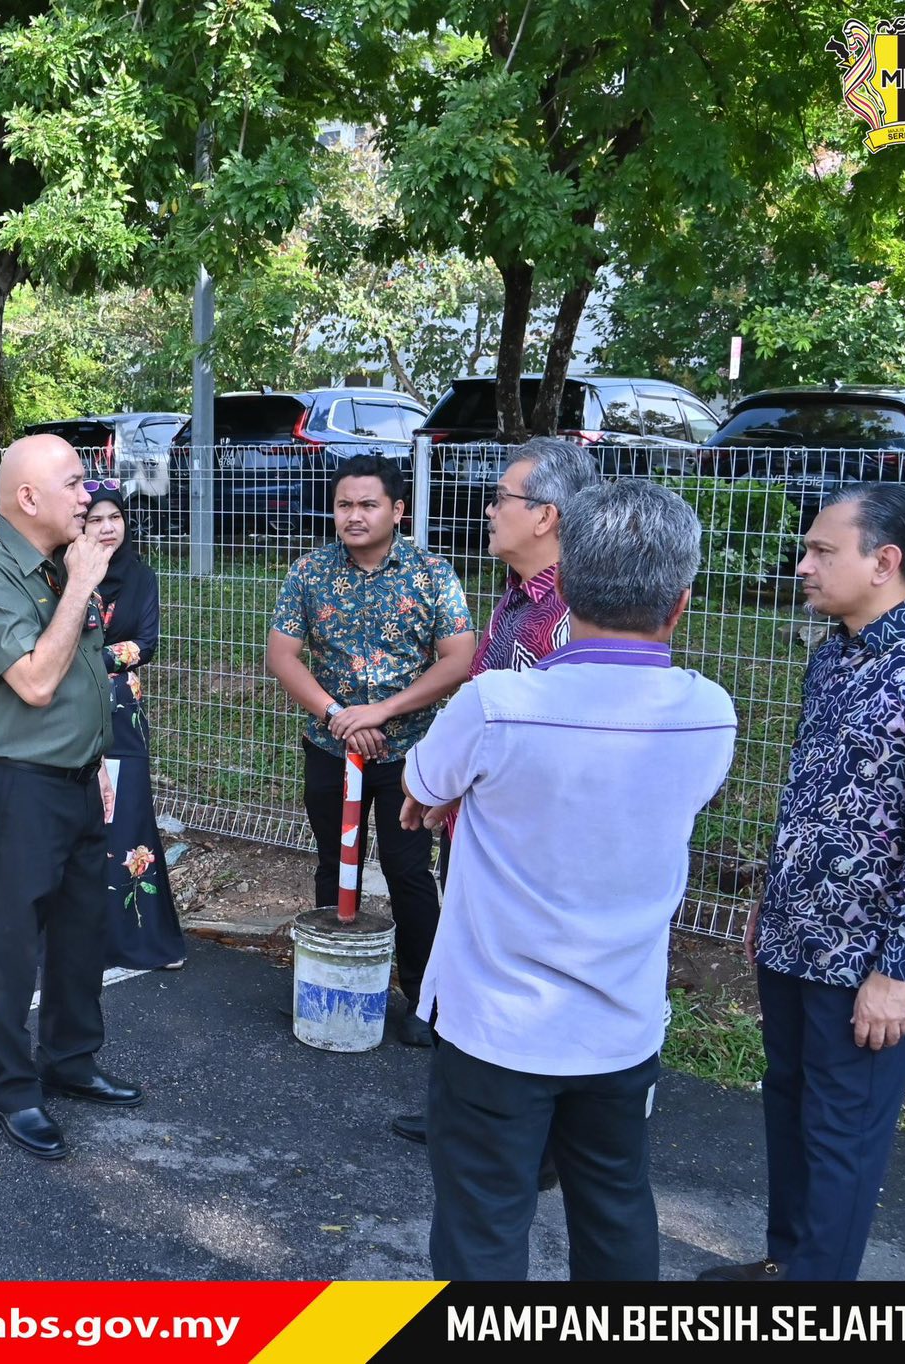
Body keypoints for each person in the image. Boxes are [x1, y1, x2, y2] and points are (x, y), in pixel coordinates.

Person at [401, 479, 738, 1281]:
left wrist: (441, 796)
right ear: (680, 603)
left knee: (483, 1225)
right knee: (616, 1211)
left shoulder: (498, 705)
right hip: (620, 1027)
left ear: (570, 585)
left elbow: (420, 786)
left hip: (494, 1026)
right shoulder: (709, 712)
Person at [698, 484, 905, 1283]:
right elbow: (811, 795)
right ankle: (784, 1268)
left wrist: (898, 974)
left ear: (885, 561)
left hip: (866, 963)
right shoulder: (834, 654)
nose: (804, 565)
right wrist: (770, 899)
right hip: (795, 934)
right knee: (789, 1107)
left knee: (843, 1135)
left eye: (822, 551)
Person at [390, 434, 602, 1147]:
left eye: (502, 498)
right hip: (477, 821)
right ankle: (465, 1111)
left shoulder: (575, 611)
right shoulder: (517, 596)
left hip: (530, 840)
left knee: (522, 976)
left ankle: (528, 1137)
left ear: (545, 515)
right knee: (472, 959)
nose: (487, 509)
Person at [0, 433, 146, 1162]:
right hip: (17, 789)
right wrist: (84, 584)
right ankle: (14, 1088)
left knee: (79, 931)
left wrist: (90, 756)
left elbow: (84, 677)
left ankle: (70, 1059)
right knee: (8, 947)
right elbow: (33, 681)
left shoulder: (59, 567)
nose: (87, 493)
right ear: (27, 498)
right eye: (71, 482)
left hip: (74, 779)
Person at [266, 454, 476, 1046]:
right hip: (331, 746)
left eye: (368, 504)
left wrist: (381, 712)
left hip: (408, 751)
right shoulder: (309, 573)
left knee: (410, 874)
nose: (354, 516)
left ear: (398, 509)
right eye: (344, 505)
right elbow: (282, 657)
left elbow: (459, 658)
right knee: (336, 863)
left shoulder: (431, 573)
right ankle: (330, 978)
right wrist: (338, 716)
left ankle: (424, 1000)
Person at [84, 483, 189, 971]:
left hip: (122, 713)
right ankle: (76, 935)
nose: (107, 528)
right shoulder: (64, 574)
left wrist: (85, 656)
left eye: (115, 518)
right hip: (66, 710)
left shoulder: (141, 576)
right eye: (96, 519)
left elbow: (145, 643)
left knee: (126, 819)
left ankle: (138, 941)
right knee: (77, 818)